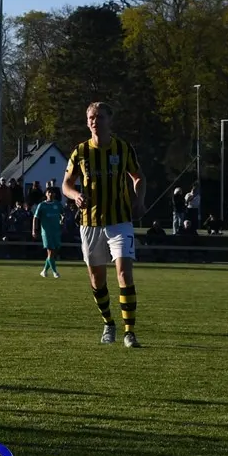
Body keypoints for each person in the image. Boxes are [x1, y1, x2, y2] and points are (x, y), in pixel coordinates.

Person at [62, 101, 146, 348]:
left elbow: (138, 176)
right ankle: (109, 323)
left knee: (124, 273)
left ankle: (129, 332)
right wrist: (75, 195)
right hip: (90, 223)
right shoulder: (80, 151)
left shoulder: (123, 148)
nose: (94, 121)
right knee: (97, 279)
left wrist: (139, 199)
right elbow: (66, 184)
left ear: (110, 120)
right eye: (91, 117)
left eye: (99, 117)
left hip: (119, 221)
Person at [32, 185, 64, 278]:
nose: (50, 194)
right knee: (50, 251)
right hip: (46, 232)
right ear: (46, 194)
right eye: (49, 192)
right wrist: (34, 230)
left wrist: (62, 220)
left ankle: (44, 271)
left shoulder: (58, 204)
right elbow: (35, 218)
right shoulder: (42, 205)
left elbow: (63, 214)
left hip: (56, 231)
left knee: (53, 252)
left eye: (52, 192)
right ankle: (55, 272)